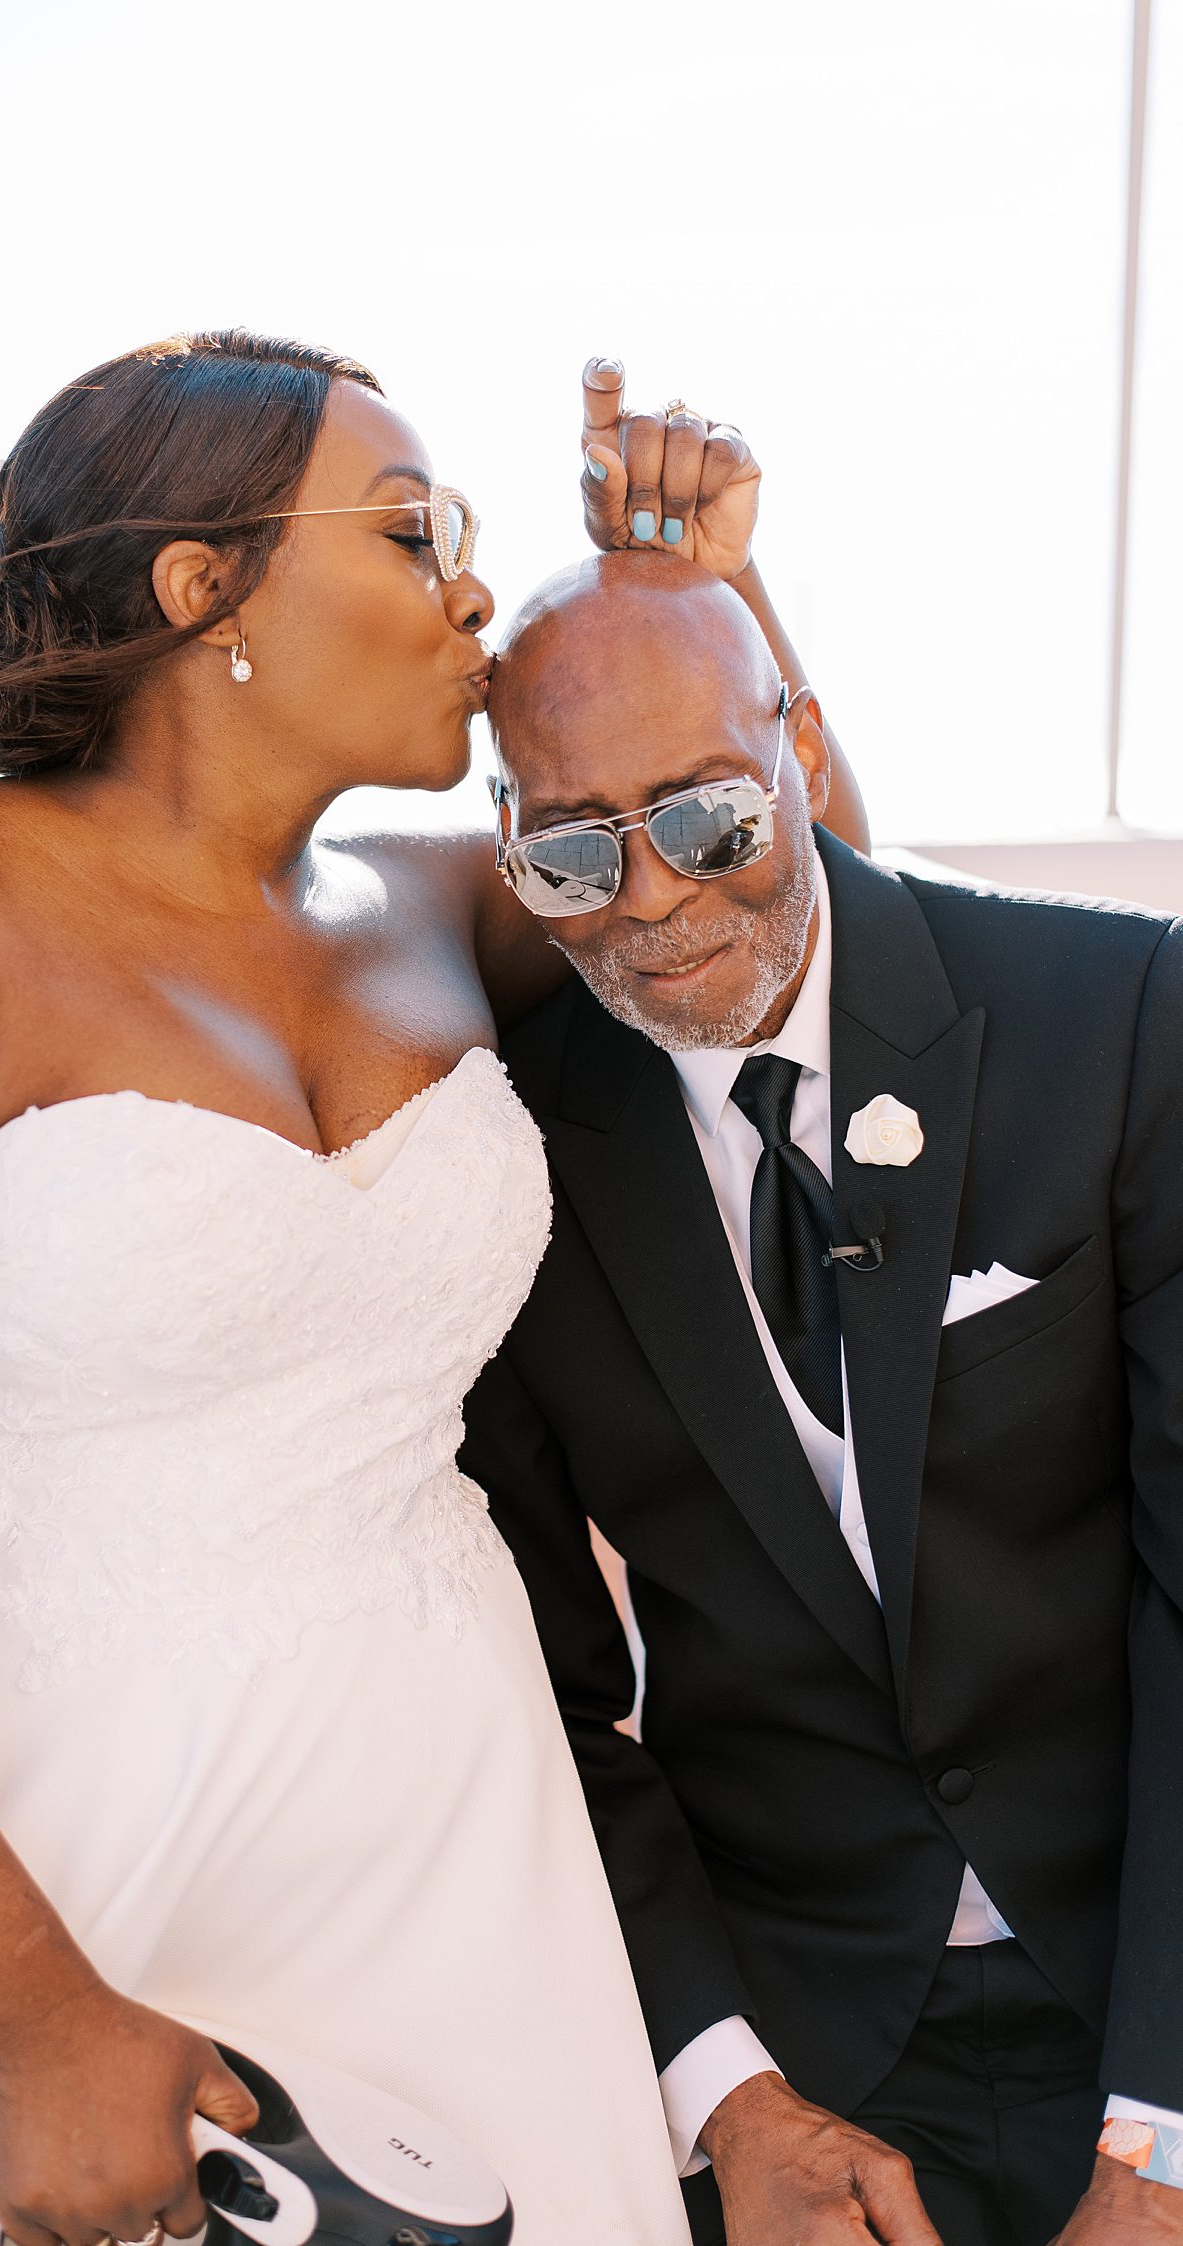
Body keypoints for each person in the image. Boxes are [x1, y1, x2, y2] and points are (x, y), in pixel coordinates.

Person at [0, 332, 861, 2245]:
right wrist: (35, 2016)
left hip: (455, 1847)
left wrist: (703, 589)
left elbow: (780, 907)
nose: (475, 588)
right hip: (34, 1856)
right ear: (200, 586)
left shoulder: (446, 903)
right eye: (414, 533)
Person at [459, 511, 1183, 2246]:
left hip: (1145, 1985)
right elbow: (546, 1692)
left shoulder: (1118, 1013)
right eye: (571, 855)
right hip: (803, 2052)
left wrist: (1159, 2140)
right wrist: (727, 2093)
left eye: (709, 818)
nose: (656, 904)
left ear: (802, 740)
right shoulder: (498, 1158)